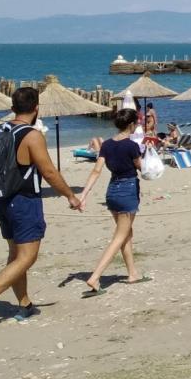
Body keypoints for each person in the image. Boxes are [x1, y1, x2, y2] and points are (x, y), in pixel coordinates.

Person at [0, 87, 83, 333]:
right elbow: (49, 172)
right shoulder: (32, 135)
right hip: (24, 201)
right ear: (36, 109)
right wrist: (71, 196)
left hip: (2, 202)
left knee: (15, 256)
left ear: (12, 108)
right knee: (27, 257)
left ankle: (24, 304)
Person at [76, 108, 148, 296]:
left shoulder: (107, 145)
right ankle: (95, 277)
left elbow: (97, 171)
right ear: (131, 124)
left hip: (112, 191)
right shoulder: (132, 146)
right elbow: (141, 168)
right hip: (127, 190)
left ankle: (132, 273)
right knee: (119, 236)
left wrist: (84, 194)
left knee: (126, 233)